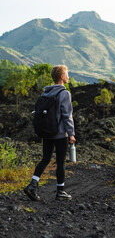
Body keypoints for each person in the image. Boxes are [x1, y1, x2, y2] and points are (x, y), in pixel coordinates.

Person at [24, 65, 76, 201]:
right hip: (59, 134)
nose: (68, 76)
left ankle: (32, 185)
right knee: (60, 163)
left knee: (45, 159)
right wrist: (71, 134)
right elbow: (67, 116)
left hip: (47, 132)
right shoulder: (64, 93)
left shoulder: (46, 92)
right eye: (67, 74)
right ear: (61, 77)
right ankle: (60, 192)